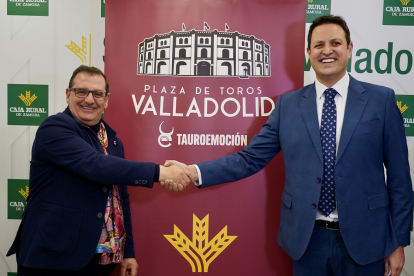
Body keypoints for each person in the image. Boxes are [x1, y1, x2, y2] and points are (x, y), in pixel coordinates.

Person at [162, 15, 413, 276]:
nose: (327, 51)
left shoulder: (380, 100)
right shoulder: (288, 106)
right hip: (306, 241)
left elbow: (399, 179)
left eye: (335, 43)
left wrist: (398, 241)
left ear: (350, 49)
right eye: (318, 45)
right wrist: (193, 171)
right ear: (308, 52)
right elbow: (249, 159)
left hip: (367, 239)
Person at [7, 65, 191, 276]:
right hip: (52, 257)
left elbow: (121, 199)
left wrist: (128, 251)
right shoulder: (54, 128)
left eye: (98, 94)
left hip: (99, 259)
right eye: (82, 91)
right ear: (68, 94)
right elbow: (95, 164)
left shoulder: (113, 142)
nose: (89, 100)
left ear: (106, 100)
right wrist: (160, 173)